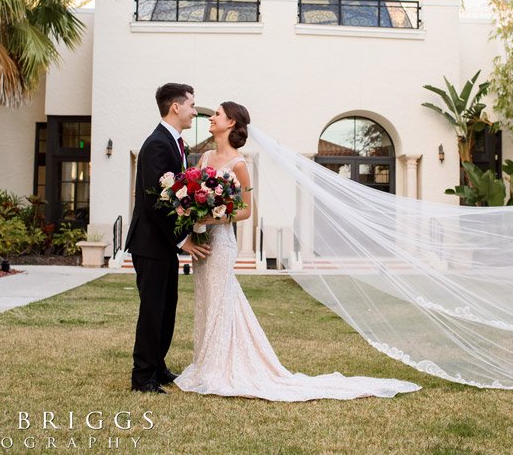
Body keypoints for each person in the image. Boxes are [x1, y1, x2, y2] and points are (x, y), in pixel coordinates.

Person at [173, 102, 422, 401]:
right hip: (203, 240)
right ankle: (205, 363)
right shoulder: (206, 157)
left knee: (220, 299)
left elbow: (245, 211)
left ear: (231, 123)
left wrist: (210, 217)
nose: (211, 118)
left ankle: (221, 367)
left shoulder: (239, 164)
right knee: (206, 299)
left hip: (222, 240)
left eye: (217, 115)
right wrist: (193, 215)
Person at [125, 83, 211, 394]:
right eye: (191, 104)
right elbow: (155, 201)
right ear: (175, 106)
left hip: (162, 244)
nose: (194, 110)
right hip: (151, 243)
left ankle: (157, 366)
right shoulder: (157, 144)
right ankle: (142, 376)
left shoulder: (175, 143)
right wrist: (182, 241)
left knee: (166, 307)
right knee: (152, 309)